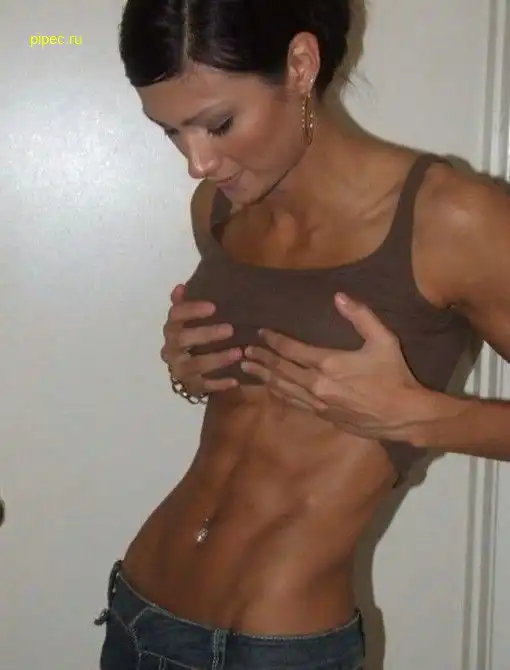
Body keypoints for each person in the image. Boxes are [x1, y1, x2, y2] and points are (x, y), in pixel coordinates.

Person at [95, 1, 510, 668]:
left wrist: (420, 417)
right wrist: (191, 369)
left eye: (219, 124)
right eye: (171, 131)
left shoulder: (453, 218)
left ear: (299, 64)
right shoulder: (220, 210)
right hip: (140, 621)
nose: (197, 162)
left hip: (279, 649)